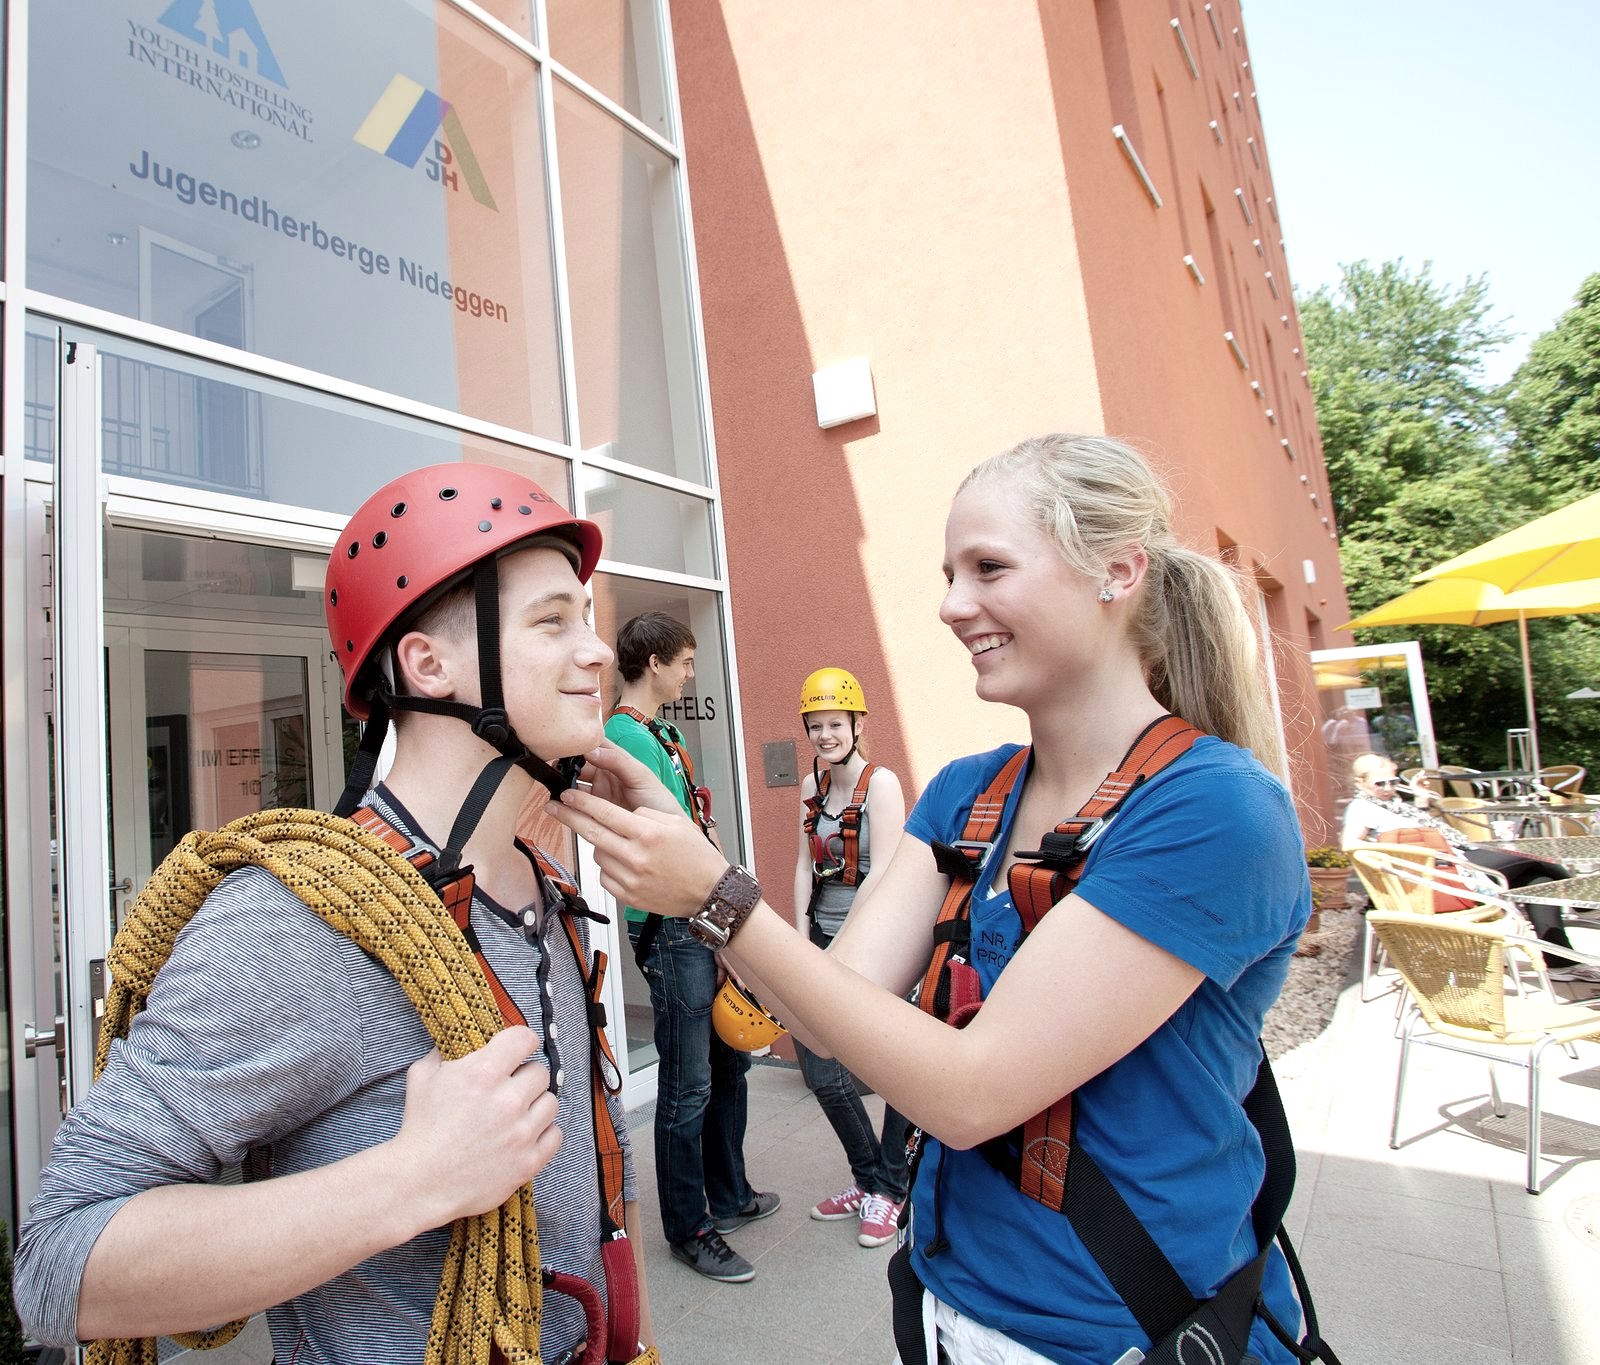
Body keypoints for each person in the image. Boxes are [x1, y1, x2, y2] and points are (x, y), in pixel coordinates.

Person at [554, 434, 1330, 1365]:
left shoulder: (1212, 809)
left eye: (989, 568)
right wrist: (700, 877)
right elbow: (829, 1012)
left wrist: (715, 892)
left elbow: (971, 1093)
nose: (952, 604)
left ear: (1117, 572)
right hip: (945, 1304)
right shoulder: (969, 793)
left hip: (1123, 1333)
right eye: (950, 574)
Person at [15, 463, 652, 1363]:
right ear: (428, 665)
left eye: (586, 617)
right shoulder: (300, 921)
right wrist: (411, 1178)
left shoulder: (544, 887)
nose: (598, 652)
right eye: (553, 621)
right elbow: (58, 1263)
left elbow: (597, 1189)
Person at [604, 611, 777, 1284]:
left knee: (729, 1063)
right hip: (671, 925)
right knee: (687, 1082)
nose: (690, 672)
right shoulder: (624, 736)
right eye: (683, 661)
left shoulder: (663, 733)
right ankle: (689, 1229)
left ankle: (728, 1194)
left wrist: (730, 906)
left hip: (700, 913)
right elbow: (670, 837)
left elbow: (698, 828)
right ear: (654, 663)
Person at [788, 667, 914, 1250]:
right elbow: (802, 865)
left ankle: (892, 1188)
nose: (825, 736)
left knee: (893, 1070)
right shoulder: (811, 788)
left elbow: (882, 871)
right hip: (823, 937)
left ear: (858, 724)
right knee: (820, 1066)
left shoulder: (881, 784)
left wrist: (842, 952)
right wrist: (800, 938)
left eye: (835, 724)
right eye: (816, 726)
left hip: (876, 943)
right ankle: (868, 1179)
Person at [1341, 752, 1597, 983]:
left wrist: (1420, 799)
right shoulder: (1361, 807)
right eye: (1380, 784)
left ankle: (1561, 963)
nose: (1388, 788)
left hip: (1453, 864)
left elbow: (1417, 830)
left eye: (1393, 781)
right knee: (1532, 855)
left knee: (1537, 879)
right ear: (1360, 783)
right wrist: (1397, 855)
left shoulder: (1390, 803)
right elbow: (1349, 844)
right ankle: (1583, 903)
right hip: (1443, 876)